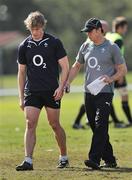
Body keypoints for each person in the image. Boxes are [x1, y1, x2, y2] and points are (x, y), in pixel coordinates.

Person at [66, 18, 127, 169]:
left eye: (90, 31)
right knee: (95, 126)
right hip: (89, 92)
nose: (88, 34)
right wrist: (67, 82)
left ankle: (94, 159)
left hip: (105, 92)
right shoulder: (85, 46)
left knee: (101, 125)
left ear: (99, 30)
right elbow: (76, 65)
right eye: (86, 32)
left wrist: (111, 78)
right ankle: (110, 159)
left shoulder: (112, 47)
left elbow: (123, 70)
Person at [16, 11, 69, 171]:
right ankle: (28, 160)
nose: (36, 32)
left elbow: (65, 66)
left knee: (54, 124)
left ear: (42, 26)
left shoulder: (54, 42)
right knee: (30, 123)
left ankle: (64, 156)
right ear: (29, 28)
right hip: (32, 91)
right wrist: (21, 97)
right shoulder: (24, 46)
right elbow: (22, 72)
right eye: (33, 29)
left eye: (38, 28)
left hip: (51, 91)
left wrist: (61, 87)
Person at [106, 16, 132, 127]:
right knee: (124, 94)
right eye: (125, 28)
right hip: (116, 71)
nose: (125, 30)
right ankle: (128, 121)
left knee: (108, 97)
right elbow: (117, 57)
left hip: (107, 70)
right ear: (120, 27)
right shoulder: (118, 38)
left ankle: (117, 121)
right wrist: (120, 75)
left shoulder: (107, 35)